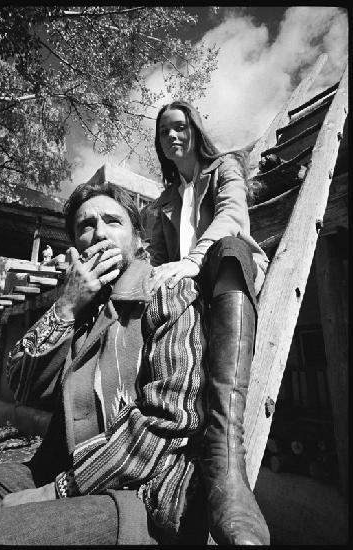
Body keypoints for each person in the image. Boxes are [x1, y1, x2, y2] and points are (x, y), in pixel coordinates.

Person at [0, 181, 209, 545]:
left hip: (138, 495)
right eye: (85, 226)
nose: (98, 235)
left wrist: (60, 489)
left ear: (139, 238)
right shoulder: (79, 307)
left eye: (112, 221)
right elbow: (21, 386)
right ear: (76, 245)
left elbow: (171, 419)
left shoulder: (168, 294)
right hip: (55, 470)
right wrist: (65, 306)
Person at [148, 100, 270, 545]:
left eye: (180, 127)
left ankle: (225, 458)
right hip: (184, 294)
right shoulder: (162, 202)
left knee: (232, 247)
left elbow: (233, 216)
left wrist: (194, 259)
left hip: (222, 272)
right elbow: (158, 259)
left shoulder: (224, 168)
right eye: (164, 132)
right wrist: (159, 274)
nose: (173, 137)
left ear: (195, 131)